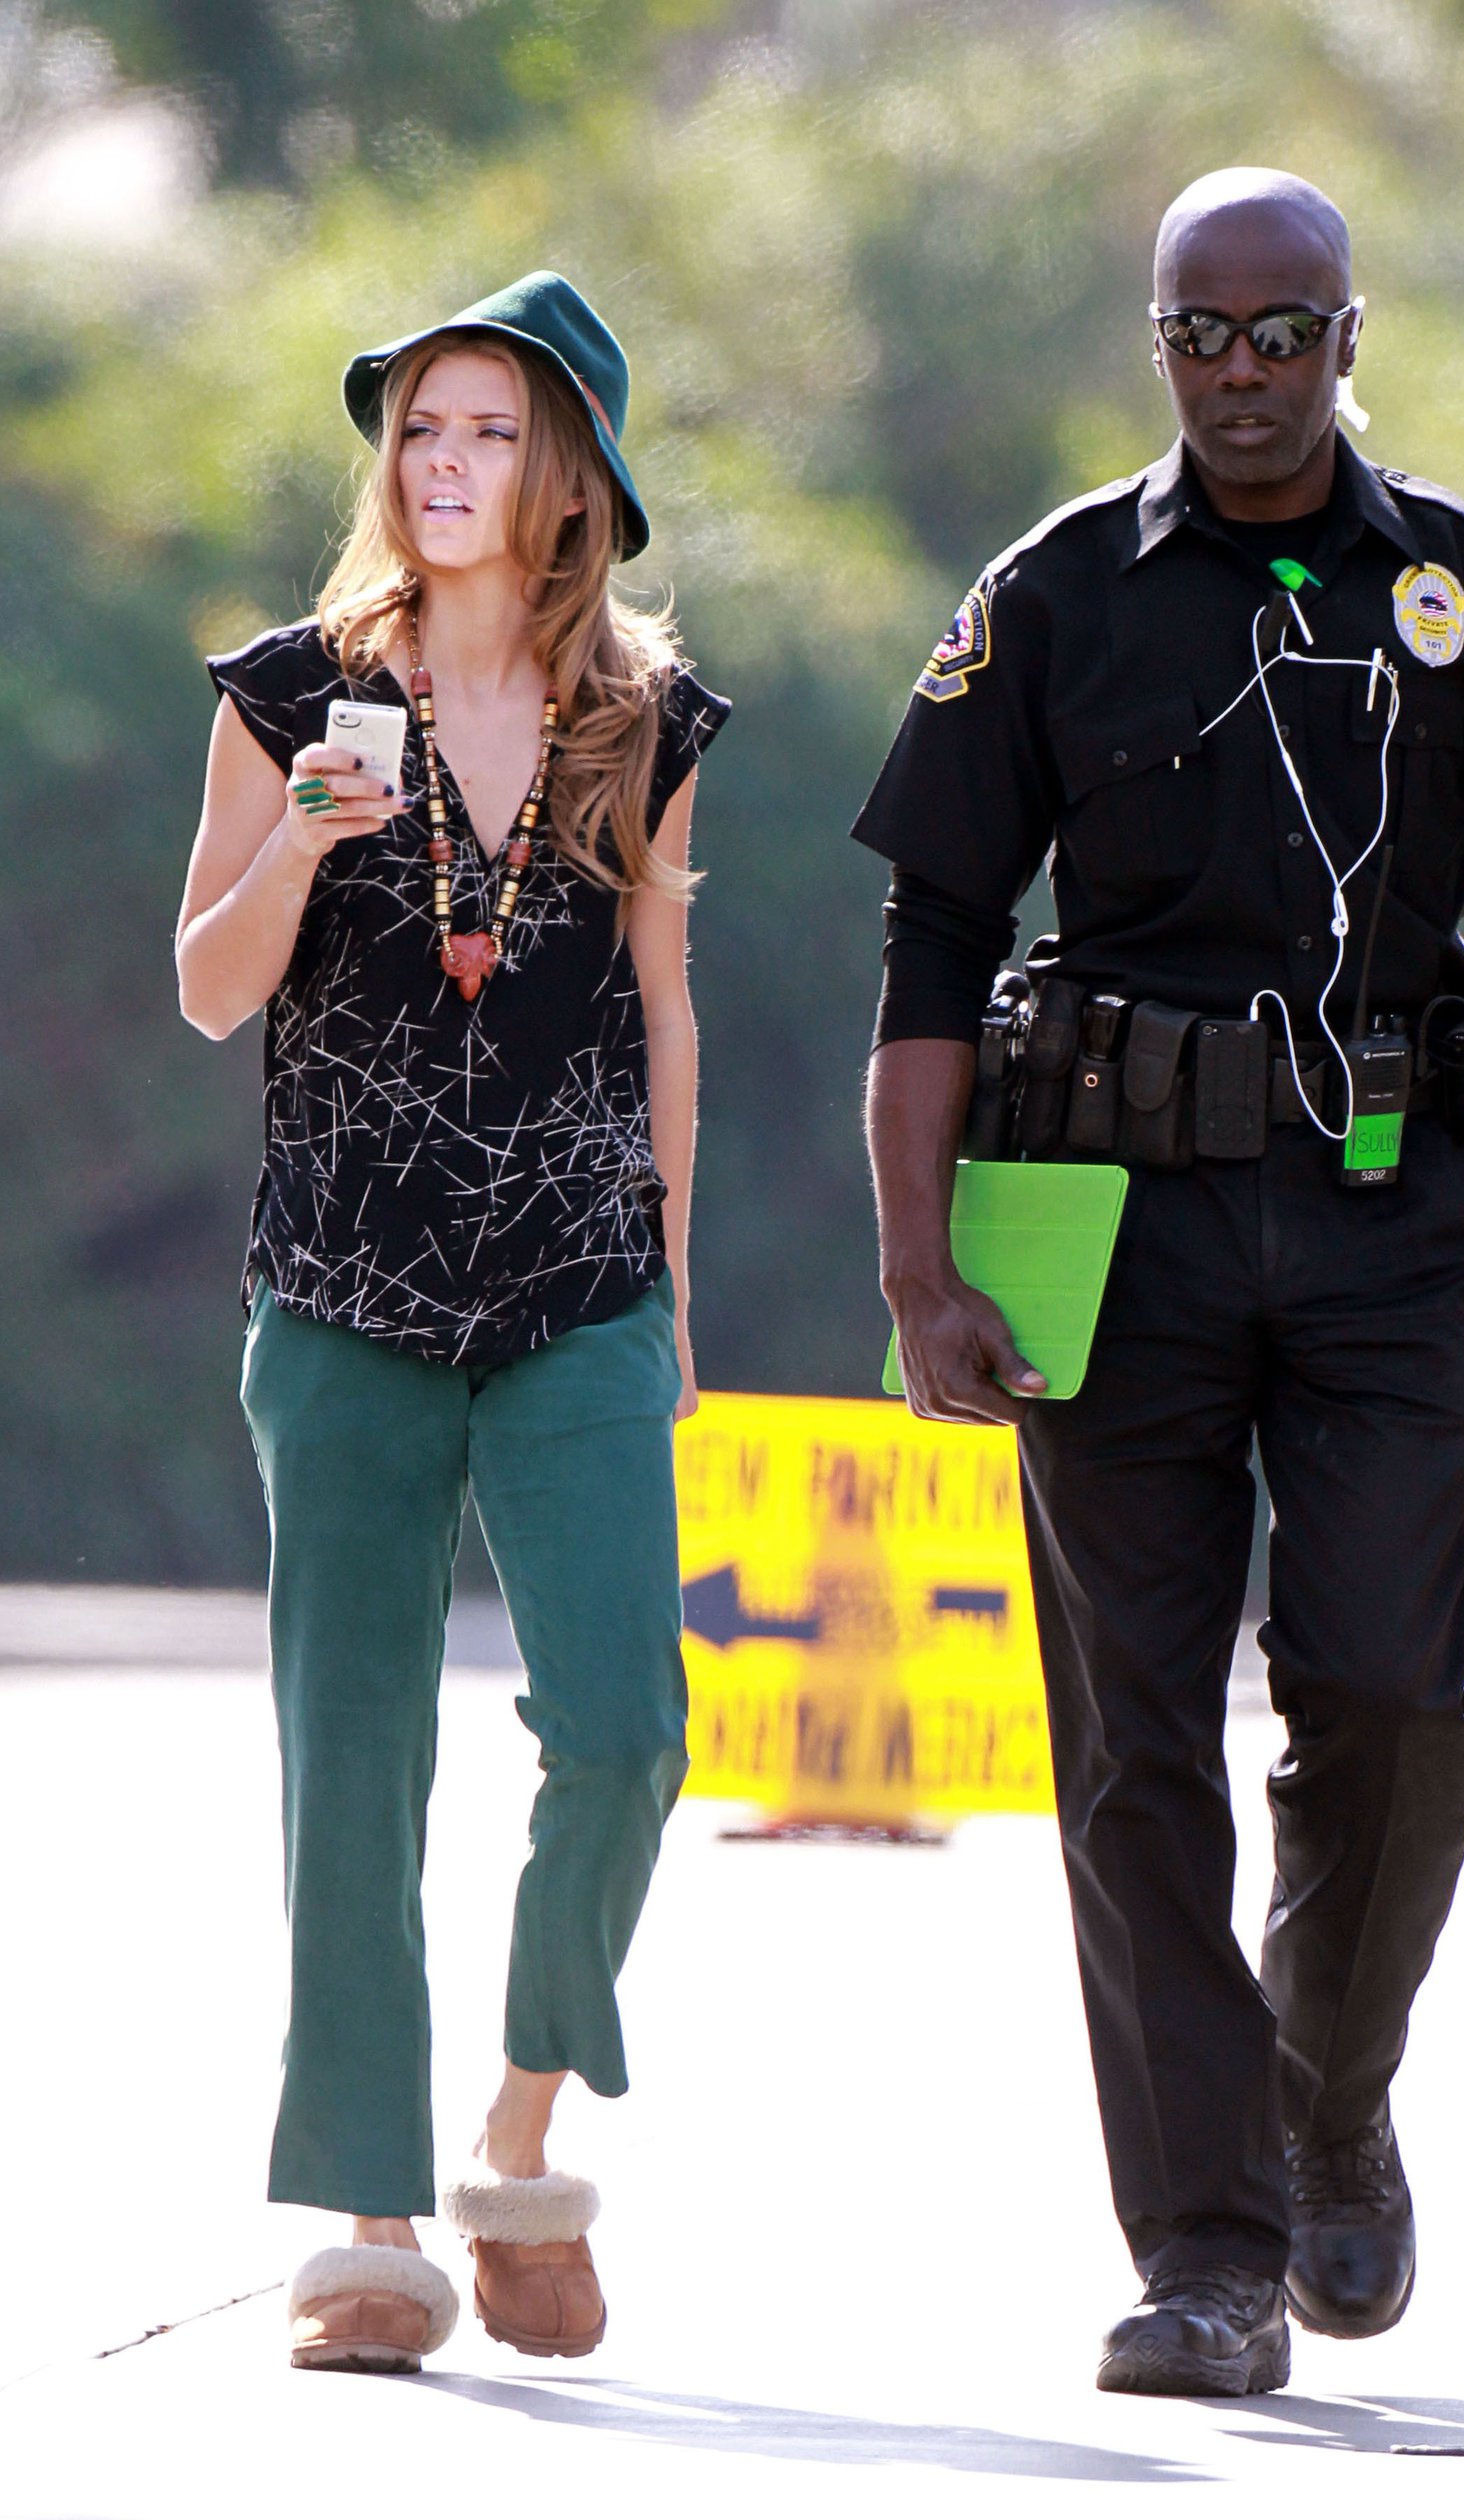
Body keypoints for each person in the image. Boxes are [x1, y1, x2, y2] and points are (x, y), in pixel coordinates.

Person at [856, 169, 1464, 2397]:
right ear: (1159, 348)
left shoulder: (1461, 590)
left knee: (1392, 1705)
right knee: (1131, 1754)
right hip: (1116, 1232)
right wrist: (919, 1267)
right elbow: (930, 936)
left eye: (1281, 332)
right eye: (1198, 336)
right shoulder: (1057, 598)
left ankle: (1326, 2099)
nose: (1240, 374)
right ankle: (1203, 2248)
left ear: (1345, 334)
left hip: (1398, 1232)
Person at [176, 271, 728, 2374]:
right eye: (417, 430)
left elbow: (665, 1012)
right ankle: (376, 2228)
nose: (443, 466)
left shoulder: (648, 722)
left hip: (583, 1288)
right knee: (357, 1764)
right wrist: (307, 842)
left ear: (565, 471)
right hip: (337, 1294)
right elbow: (212, 988)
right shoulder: (281, 694)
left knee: (628, 1729)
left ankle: (517, 2136)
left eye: (487, 431)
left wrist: (676, 1283)